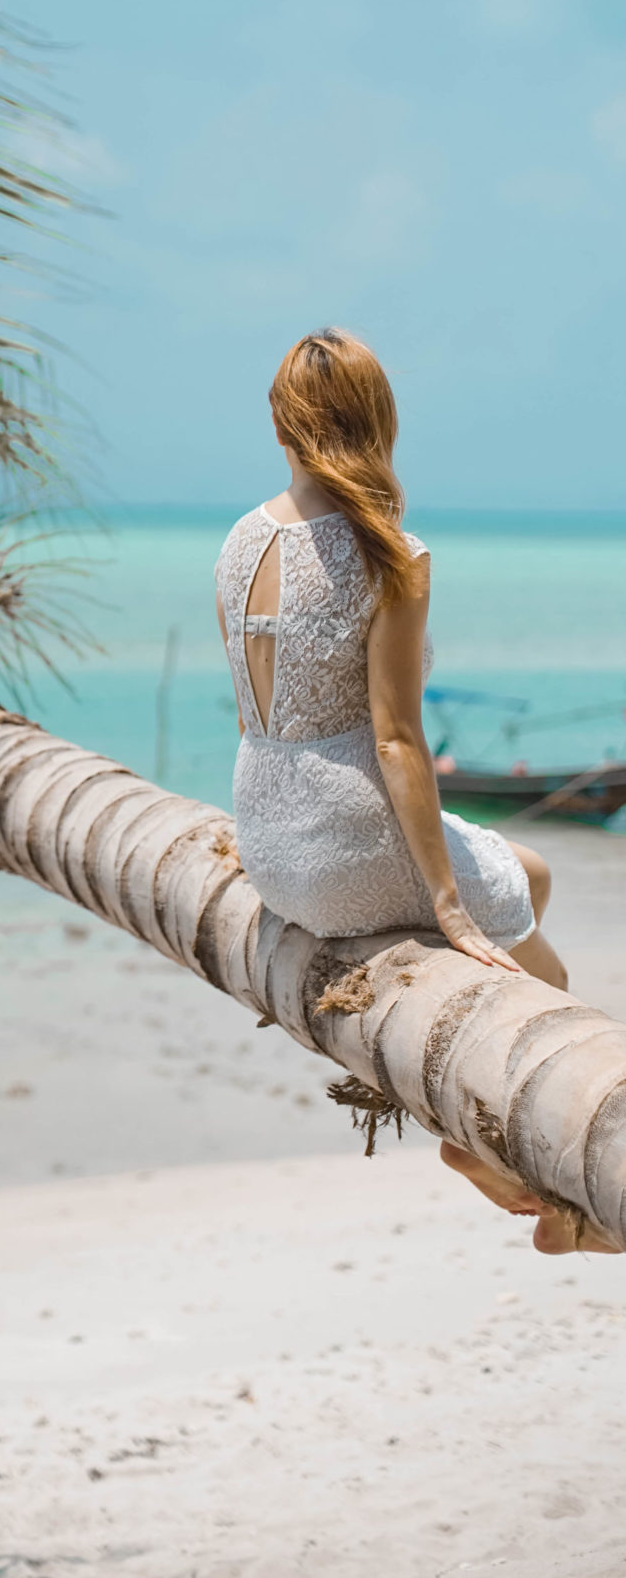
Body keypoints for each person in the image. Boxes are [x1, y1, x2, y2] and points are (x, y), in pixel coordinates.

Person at [215, 328, 616, 1255]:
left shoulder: (241, 542)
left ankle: (488, 1148)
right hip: (351, 839)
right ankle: (504, 1157)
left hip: (273, 837)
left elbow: (257, 709)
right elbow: (396, 738)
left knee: (528, 878)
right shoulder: (389, 552)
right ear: (378, 425)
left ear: (283, 426)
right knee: (538, 958)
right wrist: (443, 901)